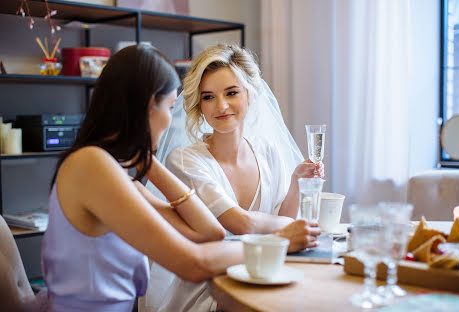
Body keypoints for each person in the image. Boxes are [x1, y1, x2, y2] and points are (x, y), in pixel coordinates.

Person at [41, 44, 318, 311]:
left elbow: (209, 232)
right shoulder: (92, 166)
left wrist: (147, 160)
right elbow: (193, 264)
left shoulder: (119, 174)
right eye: (170, 106)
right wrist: (278, 242)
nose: (169, 120)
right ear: (149, 106)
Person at [152, 44, 324, 312]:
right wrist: (289, 229)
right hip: (211, 290)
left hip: (267, 277)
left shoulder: (268, 151)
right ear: (198, 104)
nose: (221, 106)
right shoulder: (186, 160)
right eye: (208, 97)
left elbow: (283, 218)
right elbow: (239, 222)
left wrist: (295, 184)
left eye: (231, 93)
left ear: (250, 95)